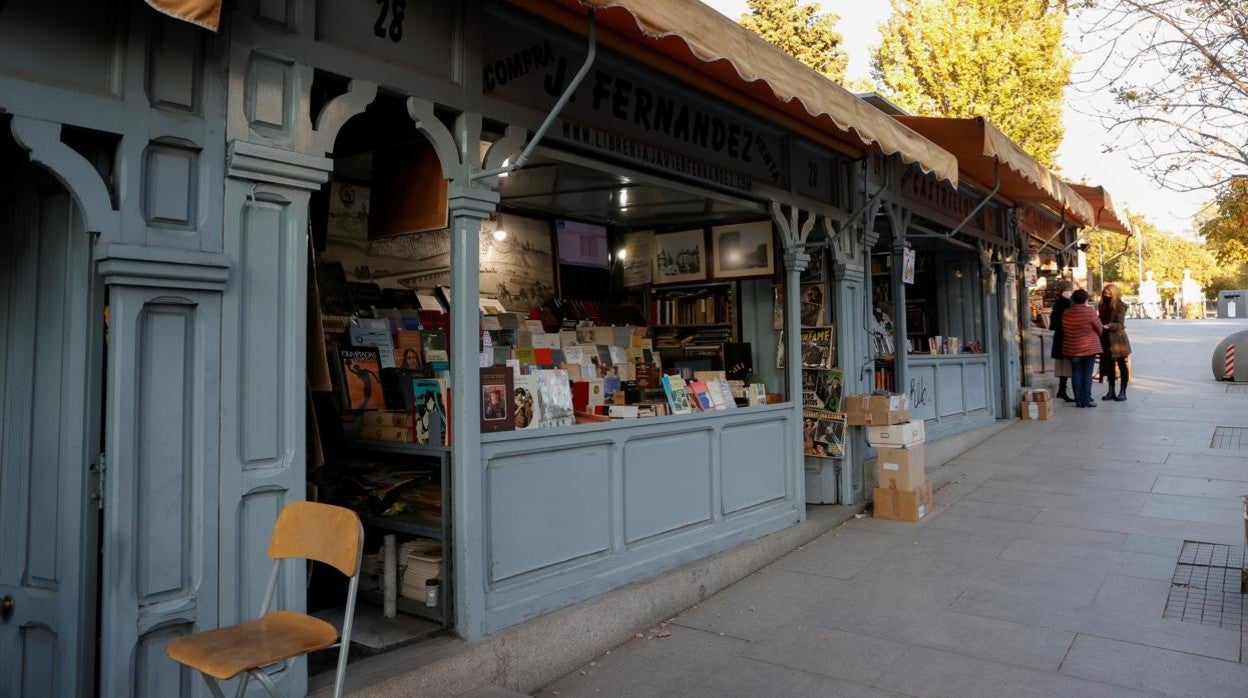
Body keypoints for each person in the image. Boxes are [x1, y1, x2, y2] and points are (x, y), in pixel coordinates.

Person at [1062, 289, 1103, 408]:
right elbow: (1099, 328)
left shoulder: (1066, 313)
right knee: (1087, 374)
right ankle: (1086, 399)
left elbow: (1064, 328)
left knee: (1076, 373)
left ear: (1073, 299)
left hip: (1072, 348)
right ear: (1085, 299)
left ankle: (1078, 400)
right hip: (1089, 347)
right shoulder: (1090, 311)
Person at [1098, 283, 1133, 401]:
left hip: (1117, 339)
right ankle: (1111, 390)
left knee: (1121, 364)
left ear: (1114, 294)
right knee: (1109, 365)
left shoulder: (1120, 305)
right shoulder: (1102, 304)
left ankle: (1123, 391)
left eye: (1109, 294)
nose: (1106, 296)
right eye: (1105, 293)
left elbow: (1120, 323)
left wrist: (1109, 325)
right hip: (1105, 337)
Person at [1049, 279, 1075, 402]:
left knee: (1063, 366)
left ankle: (1062, 390)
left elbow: (1052, 324)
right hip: (1066, 338)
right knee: (1066, 365)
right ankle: (1062, 391)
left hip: (1060, 338)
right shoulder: (1066, 303)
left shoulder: (1059, 303)